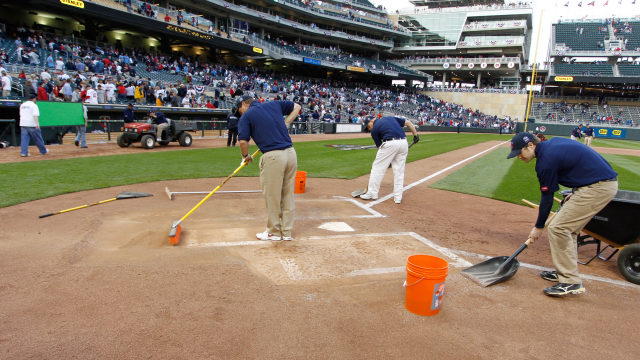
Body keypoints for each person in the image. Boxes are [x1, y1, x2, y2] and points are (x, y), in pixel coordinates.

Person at [507, 132, 618, 297]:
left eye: (520, 153)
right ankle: (565, 272)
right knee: (567, 229)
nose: (519, 157)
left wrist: (538, 227)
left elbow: (547, 199)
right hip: (594, 184)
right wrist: (577, 189)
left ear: (530, 145)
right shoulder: (551, 146)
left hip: (597, 188)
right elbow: (578, 162)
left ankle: (570, 281)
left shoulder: (545, 162)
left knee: (558, 228)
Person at [235, 95, 301, 241]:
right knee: (287, 194)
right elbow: (297, 106)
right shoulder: (274, 104)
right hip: (291, 153)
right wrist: (286, 123)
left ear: (244, 104)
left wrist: (245, 156)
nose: (240, 114)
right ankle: (286, 231)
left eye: (239, 110)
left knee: (272, 195)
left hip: (273, 157)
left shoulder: (247, 116)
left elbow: (243, 141)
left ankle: (274, 232)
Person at [360, 117, 419, 204]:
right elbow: (409, 123)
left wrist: (388, 160)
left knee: (377, 168)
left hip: (390, 143)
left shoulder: (374, 130)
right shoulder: (390, 118)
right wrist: (415, 135)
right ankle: (398, 197)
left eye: (368, 126)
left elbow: (380, 148)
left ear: (371, 120)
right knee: (399, 171)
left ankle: (372, 193)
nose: (369, 128)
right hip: (403, 142)